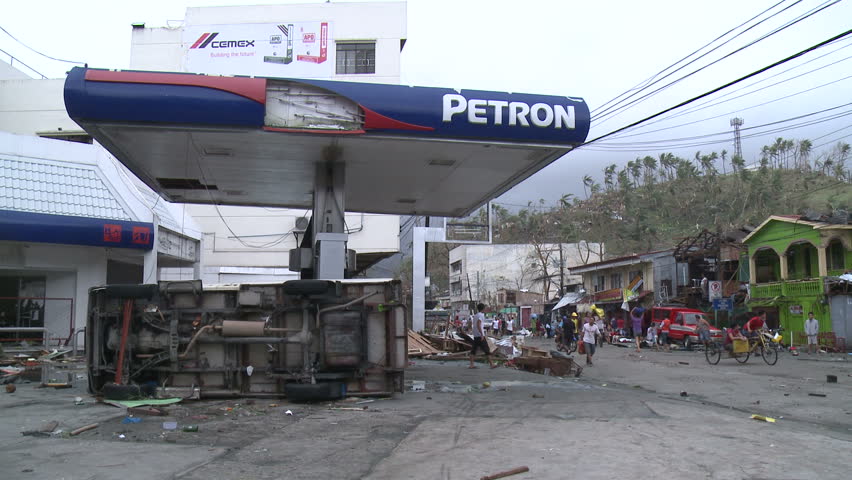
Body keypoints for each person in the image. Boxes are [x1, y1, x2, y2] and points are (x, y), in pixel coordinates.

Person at [469, 303, 496, 369]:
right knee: (487, 350)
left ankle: (471, 364)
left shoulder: (475, 315)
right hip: (480, 335)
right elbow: (478, 324)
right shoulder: (481, 315)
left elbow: (474, 324)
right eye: (485, 308)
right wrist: (481, 334)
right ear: (483, 309)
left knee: (473, 350)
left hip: (475, 335)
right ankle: (492, 364)